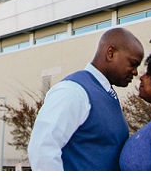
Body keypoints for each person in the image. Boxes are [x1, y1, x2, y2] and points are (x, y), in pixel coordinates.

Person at [28, 28, 144, 171]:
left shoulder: (105, 94)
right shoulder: (74, 91)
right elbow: (42, 148)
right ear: (111, 53)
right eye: (133, 63)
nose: (135, 72)